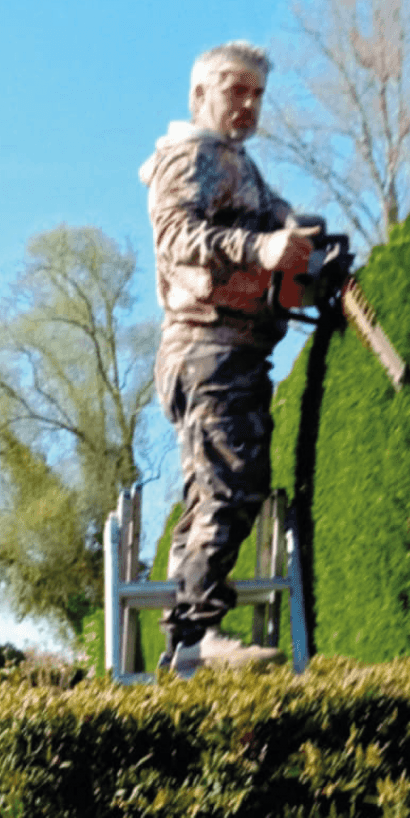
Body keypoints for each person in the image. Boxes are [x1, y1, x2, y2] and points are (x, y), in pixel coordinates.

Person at [139, 40, 321, 676]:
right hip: (207, 345)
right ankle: (196, 634)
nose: (248, 103)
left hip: (230, 349)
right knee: (232, 484)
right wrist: (260, 249)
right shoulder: (189, 155)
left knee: (210, 491)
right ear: (199, 95)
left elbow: (284, 224)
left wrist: (302, 239)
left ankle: (185, 642)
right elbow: (175, 235)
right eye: (235, 89)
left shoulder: (239, 164)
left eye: (257, 94)